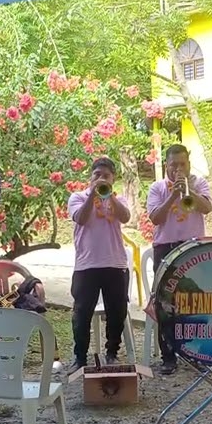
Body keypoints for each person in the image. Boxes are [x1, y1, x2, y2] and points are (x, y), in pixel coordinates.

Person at [146, 145, 212, 375]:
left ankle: (195, 353)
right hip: (165, 248)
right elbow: (155, 219)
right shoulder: (157, 187)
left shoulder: (200, 183)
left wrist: (189, 190)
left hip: (194, 247)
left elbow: (207, 208)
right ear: (166, 165)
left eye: (182, 164)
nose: (178, 168)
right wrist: (174, 194)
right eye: (173, 164)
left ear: (189, 164)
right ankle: (168, 357)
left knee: (197, 301)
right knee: (165, 303)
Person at [67, 157, 132, 371]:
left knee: (117, 311)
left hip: (115, 263)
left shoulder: (118, 198)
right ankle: (80, 357)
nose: (101, 179)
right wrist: (93, 195)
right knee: (82, 312)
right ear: (90, 177)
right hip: (86, 265)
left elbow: (125, 217)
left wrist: (109, 196)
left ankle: (112, 352)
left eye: (106, 176)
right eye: (97, 175)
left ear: (113, 179)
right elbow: (81, 219)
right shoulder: (78, 197)